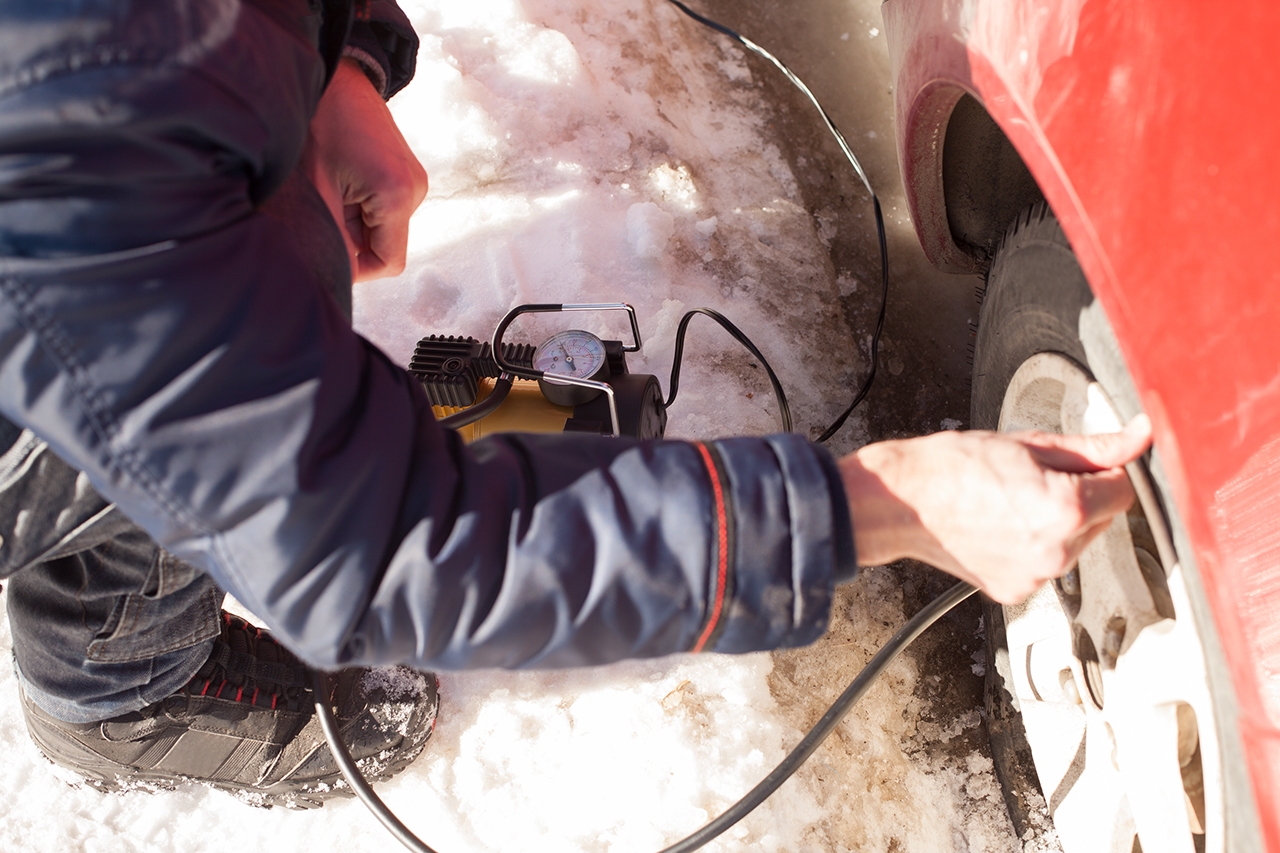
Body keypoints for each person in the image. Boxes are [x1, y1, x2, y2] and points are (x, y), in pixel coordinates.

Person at [0, 0, 1151, 808]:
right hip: (66, 300)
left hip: (111, 244)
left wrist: (341, 62)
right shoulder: (76, 163)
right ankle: (114, 688)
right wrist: (879, 506)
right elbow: (379, 548)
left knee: (176, 387)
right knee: (129, 452)